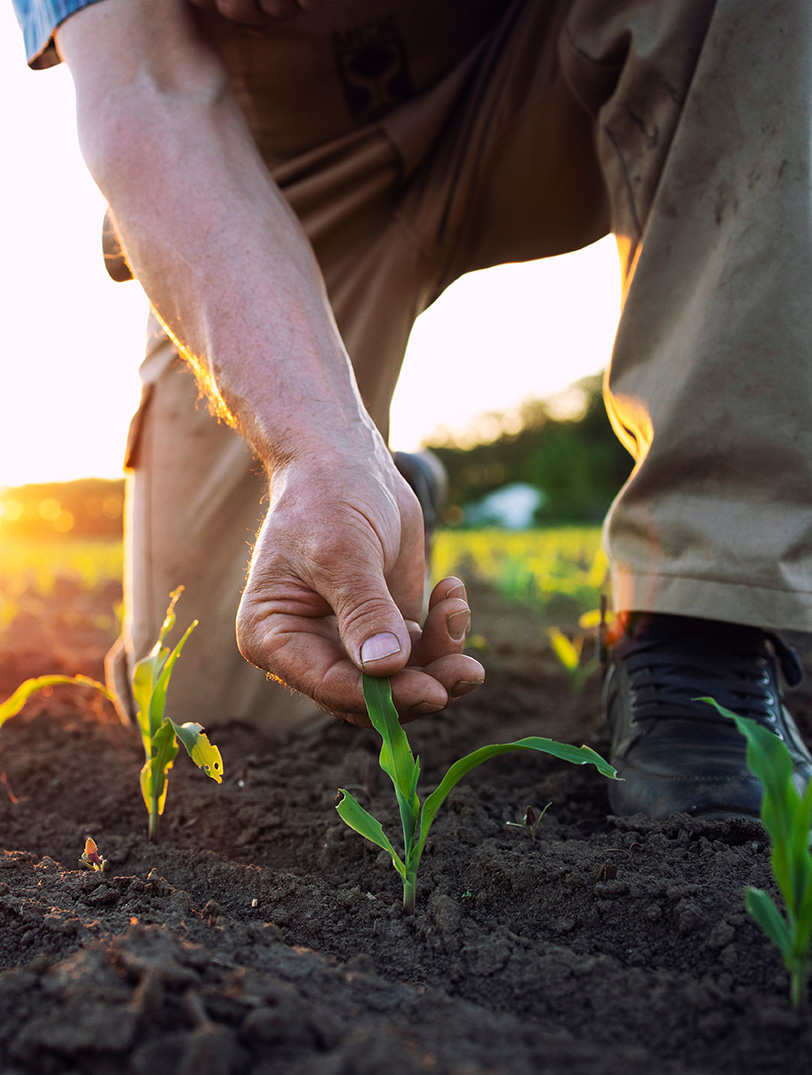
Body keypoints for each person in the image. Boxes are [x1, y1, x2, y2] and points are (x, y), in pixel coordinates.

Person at [12, 0, 812, 820]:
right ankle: (376, 492)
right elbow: (146, 91)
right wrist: (317, 450)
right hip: (279, 165)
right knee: (223, 701)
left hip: (543, 62)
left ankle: (703, 612)